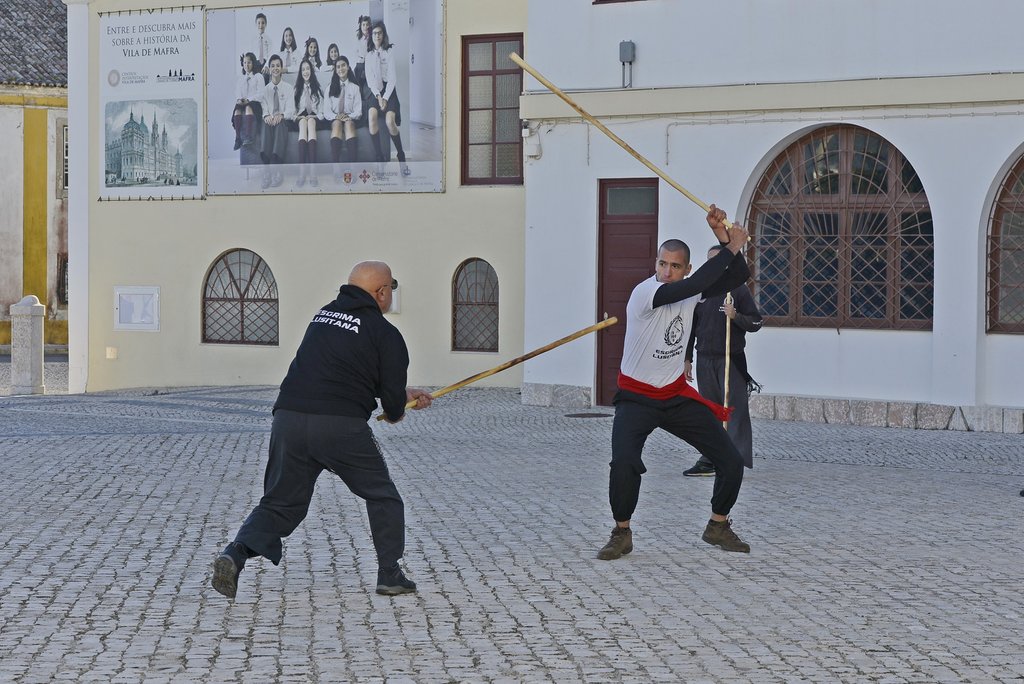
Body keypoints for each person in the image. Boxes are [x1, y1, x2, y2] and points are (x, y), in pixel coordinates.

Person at [211, 261, 434, 599]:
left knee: (280, 502)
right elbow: (389, 401)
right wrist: (396, 408)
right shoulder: (385, 333)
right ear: (381, 292)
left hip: (289, 418)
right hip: (339, 426)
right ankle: (390, 574)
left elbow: (343, 371)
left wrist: (402, 394)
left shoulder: (323, 317)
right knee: (382, 495)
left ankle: (236, 553)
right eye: (391, 288)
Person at [597, 206, 754, 561]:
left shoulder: (692, 290)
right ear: (655, 264)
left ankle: (718, 525)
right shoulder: (646, 293)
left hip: (675, 395)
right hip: (636, 397)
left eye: (675, 266)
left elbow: (738, 274)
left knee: (730, 460)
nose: (666, 272)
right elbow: (697, 284)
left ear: (687, 268)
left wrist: (723, 238)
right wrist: (732, 246)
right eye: (662, 264)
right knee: (624, 462)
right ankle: (621, 533)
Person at [681, 244, 763, 476]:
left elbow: (756, 322)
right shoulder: (700, 291)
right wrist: (687, 359)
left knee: (734, 411)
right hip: (704, 359)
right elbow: (691, 327)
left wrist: (735, 316)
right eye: (709, 260)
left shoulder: (737, 290)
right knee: (710, 412)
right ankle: (709, 459)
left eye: (717, 260)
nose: (712, 265)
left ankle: (734, 460)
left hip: (730, 359)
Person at [365, 21, 410, 176]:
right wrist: (378, 96)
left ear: (383, 35)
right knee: (372, 117)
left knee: (390, 122)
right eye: (374, 33)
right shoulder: (369, 55)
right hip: (375, 90)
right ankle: (379, 159)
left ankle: (401, 156)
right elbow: (370, 80)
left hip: (389, 90)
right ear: (371, 36)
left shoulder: (389, 52)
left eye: (380, 33)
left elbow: (392, 79)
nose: (377, 36)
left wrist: (385, 98)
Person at [259, 54, 295, 188]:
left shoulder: (288, 87)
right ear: (269, 69)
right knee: (265, 124)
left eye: (278, 66)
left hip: (284, 121)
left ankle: (277, 170)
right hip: (270, 120)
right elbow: (264, 108)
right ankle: (266, 172)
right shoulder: (265, 90)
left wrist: (282, 115)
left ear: (281, 68)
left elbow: (291, 109)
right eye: (272, 66)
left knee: (280, 124)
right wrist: (266, 116)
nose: (275, 68)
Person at [326, 55, 362, 175]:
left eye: (343, 65)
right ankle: (336, 169)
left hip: (350, 118)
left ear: (348, 67)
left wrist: (348, 117)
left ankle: (353, 169)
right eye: (338, 67)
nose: (341, 69)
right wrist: (336, 117)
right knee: (337, 124)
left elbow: (358, 111)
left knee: (349, 124)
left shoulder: (355, 88)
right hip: (335, 119)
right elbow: (327, 111)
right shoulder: (329, 88)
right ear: (335, 70)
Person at [291, 58, 325, 188]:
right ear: (300, 72)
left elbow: (322, 112)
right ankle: (302, 173)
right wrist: (299, 117)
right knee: (304, 122)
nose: (306, 72)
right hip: (301, 118)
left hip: (314, 117)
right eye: (303, 69)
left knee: (310, 121)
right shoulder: (296, 89)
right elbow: (292, 112)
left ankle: (313, 173)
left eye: (308, 69)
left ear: (311, 70)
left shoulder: (318, 88)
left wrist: (314, 116)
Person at [231, 52, 264, 151]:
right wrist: (239, 99)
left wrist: (248, 100)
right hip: (243, 102)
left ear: (253, 63)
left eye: (249, 62)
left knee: (248, 107)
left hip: (254, 102)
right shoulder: (241, 78)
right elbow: (237, 92)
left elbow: (261, 94)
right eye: (245, 63)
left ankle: (249, 136)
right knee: (237, 111)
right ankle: (238, 138)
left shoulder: (258, 76)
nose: (246, 65)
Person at [251, 12, 271, 80]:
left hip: (265, 63)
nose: (261, 25)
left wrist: (266, 65)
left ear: (266, 24)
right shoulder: (253, 40)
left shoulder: (269, 40)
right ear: (256, 24)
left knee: (264, 78)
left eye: (263, 23)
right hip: (255, 64)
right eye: (259, 23)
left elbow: (270, 54)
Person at [353, 15, 372, 86]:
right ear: (360, 26)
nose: (365, 27)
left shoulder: (372, 38)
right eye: (363, 25)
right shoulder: (358, 39)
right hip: (360, 65)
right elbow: (355, 53)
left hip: (370, 65)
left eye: (367, 24)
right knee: (359, 86)